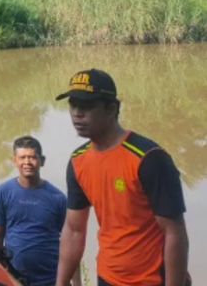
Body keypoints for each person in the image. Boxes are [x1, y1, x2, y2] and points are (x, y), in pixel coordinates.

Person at [54, 69, 191, 286]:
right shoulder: (78, 162)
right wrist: (60, 283)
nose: (77, 113)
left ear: (112, 109)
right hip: (108, 277)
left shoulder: (149, 158)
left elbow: (175, 232)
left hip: (153, 279)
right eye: (73, 104)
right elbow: (74, 230)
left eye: (87, 106)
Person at [0, 136, 80, 286]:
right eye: (22, 157)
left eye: (32, 157)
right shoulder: (3, 193)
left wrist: (76, 284)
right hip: (14, 279)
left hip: (52, 280)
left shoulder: (57, 198)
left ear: (42, 160)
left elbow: (72, 243)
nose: (27, 162)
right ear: (14, 160)